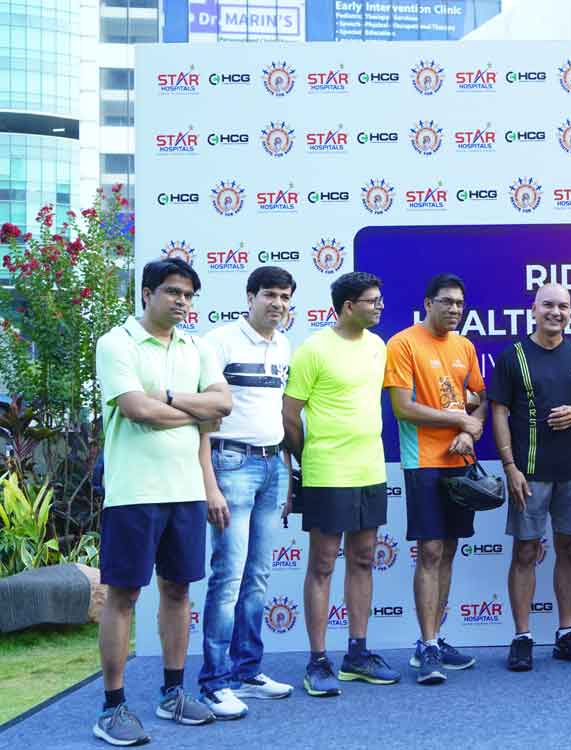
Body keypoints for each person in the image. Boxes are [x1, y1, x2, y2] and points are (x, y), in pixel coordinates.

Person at [93, 258, 231, 744]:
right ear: (147, 293)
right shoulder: (116, 343)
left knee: (178, 592)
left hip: (187, 491)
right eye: (173, 292)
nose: (182, 302)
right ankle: (112, 707)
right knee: (124, 595)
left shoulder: (198, 347)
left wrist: (168, 399)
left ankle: (173, 694)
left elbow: (223, 404)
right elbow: (135, 410)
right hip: (134, 493)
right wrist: (195, 413)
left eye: (189, 296)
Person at [282, 271, 399, 697]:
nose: (380, 307)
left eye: (379, 300)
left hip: (371, 470)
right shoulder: (313, 350)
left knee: (364, 558)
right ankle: (317, 661)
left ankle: (357, 654)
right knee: (324, 564)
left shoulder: (377, 346)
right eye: (372, 301)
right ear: (348, 306)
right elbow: (289, 416)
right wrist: (309, 459)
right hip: (327, 472)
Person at [197, 266, 296, 718]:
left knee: (257, 577)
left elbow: (276, 411)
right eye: (270, 295)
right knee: (228, 577)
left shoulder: (284, 344)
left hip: (273, 464)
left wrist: (287, 472)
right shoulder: (219, 342)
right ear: (250, 296)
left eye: (285, 297)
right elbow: (205, 413)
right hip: (231, 463)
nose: (278, 304)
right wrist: (209, 481)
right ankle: (214, 682)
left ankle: (247, 671)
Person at [490, 283, 571, 671]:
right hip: (529, 473)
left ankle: (566, 633)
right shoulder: (513, 356)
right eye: (549, 305)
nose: (556, 312)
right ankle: (522, 636)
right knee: (525, 551)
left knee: (570, 550)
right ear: (534, 309)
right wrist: (509, 468)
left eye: (564, 306)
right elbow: (499, 413)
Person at [383, 273, 487, 685]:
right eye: (446, 302)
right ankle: (425, 646)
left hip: (460, 461)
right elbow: (403, 408)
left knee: (448, 551)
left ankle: (437, 637)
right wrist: (458, 417)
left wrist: (467, 426)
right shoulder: (403, 343)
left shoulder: (465, 346)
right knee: (429, 550)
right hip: (423, 460)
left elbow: (480, 401)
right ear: (428, 302)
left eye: (460, 304)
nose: (454, 310)